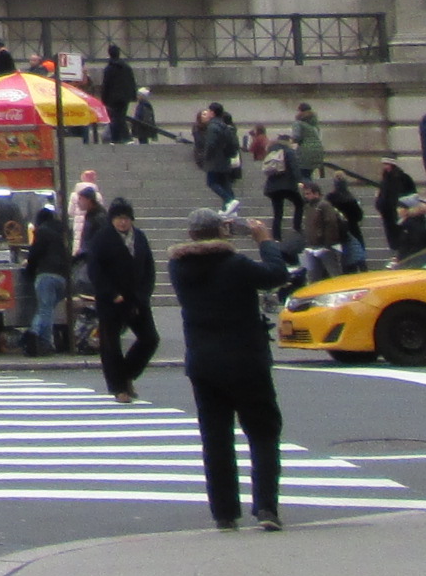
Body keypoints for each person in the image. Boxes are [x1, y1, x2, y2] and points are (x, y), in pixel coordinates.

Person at [169, 209, 292, 528]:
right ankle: (265, 507)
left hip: (203, 362)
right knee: (263, 431)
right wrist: (265, 241)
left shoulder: (178, 267)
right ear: (221, 231)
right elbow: (276, 274)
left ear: (191, 235)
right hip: (245, 358)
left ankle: (224, 512)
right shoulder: (235, 264)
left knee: (216, 439)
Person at [87, 196, 159, 400]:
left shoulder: (140, 237)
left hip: (136, 298)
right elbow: (95, 270)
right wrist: (111, 293)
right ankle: (119, 388)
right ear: (112, 219)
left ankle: (127, 374)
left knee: (150, 339)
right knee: (111, 344)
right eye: (118, 218)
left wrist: (144, 294)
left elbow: (149, 268)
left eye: (126, 218)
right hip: (111, 300)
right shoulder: (102, 238)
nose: (122, 222)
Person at [22, 198, 73, 352]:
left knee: (45, 309)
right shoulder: (63, 232)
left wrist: (29, 271)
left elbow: (34, 254)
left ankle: (39, 338)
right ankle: (39, 336)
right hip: (62, 277)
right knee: (47, 308)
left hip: (46, 275)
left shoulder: (42, 232)